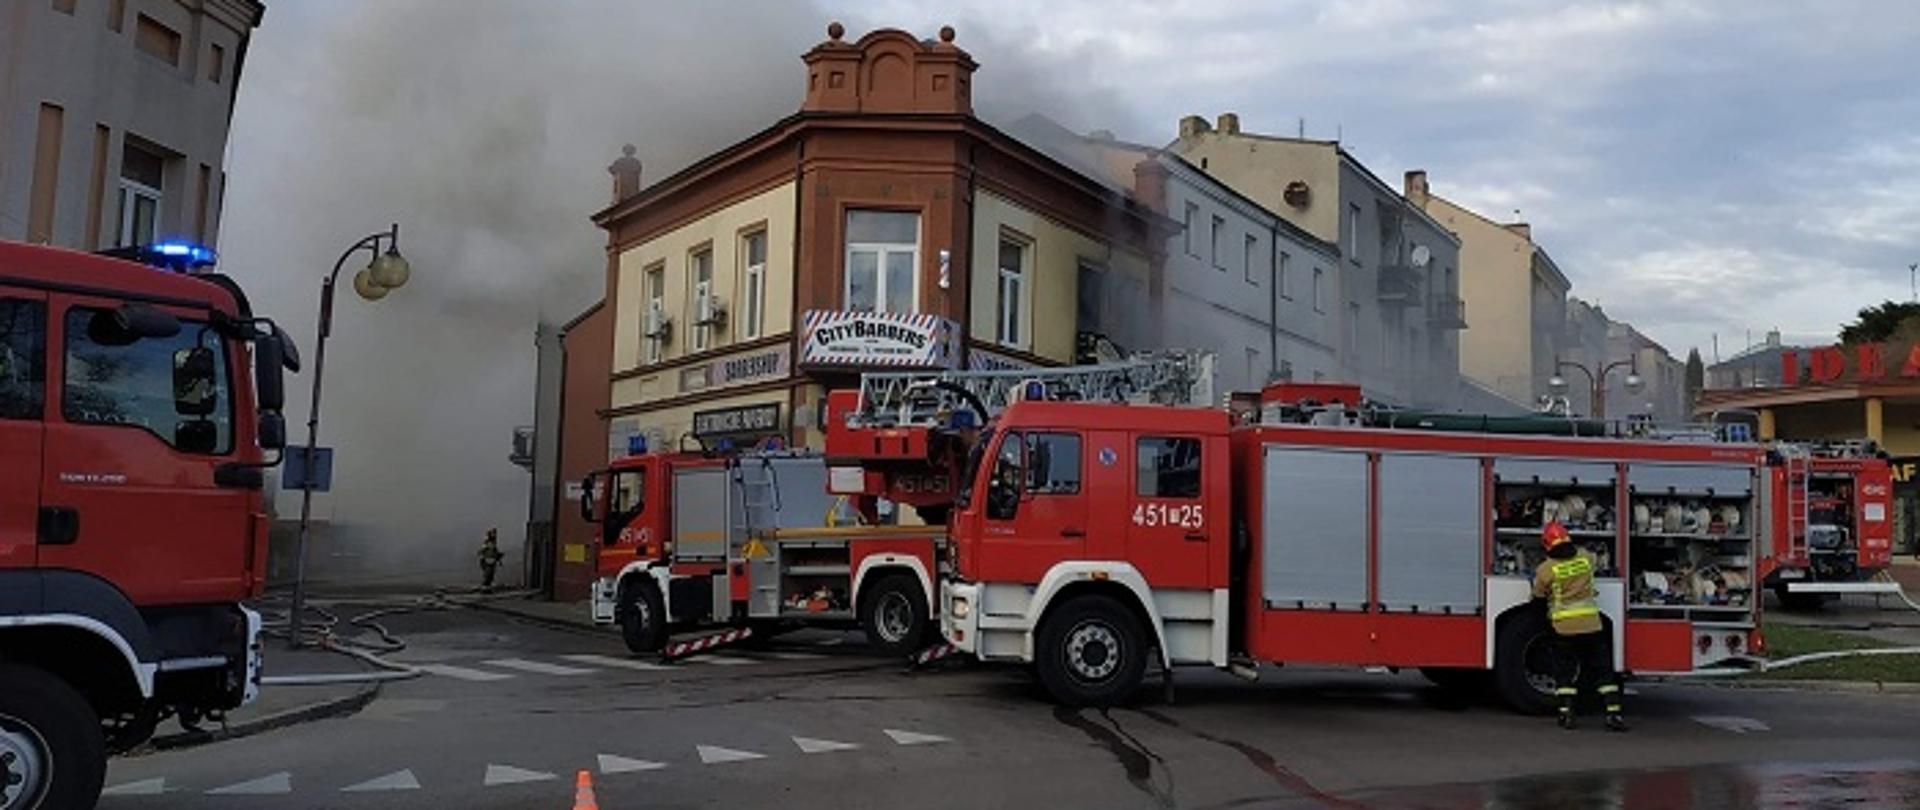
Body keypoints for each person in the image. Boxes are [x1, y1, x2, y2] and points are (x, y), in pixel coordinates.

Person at [1532, 520, 1626, 731]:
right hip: (1592, 626)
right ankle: (1613, 714)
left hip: (1563, 628)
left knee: (1564, 672)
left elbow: (1537, 599)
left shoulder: (1546, 570)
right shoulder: (1585, 559)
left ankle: (1567, 716)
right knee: (1603, 671)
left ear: (1547, 545)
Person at [478, 528, 504, 592]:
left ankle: (487, 588)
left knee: (491, 576)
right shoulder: (487, 543)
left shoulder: (493, 544)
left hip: (492, 561)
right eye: (493, 534)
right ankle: (485, 588)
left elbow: (495, 552)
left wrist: (499, 558)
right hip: (487, 561)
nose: (495, 535)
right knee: (488, 575)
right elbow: (482, 552)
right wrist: (482, 560)